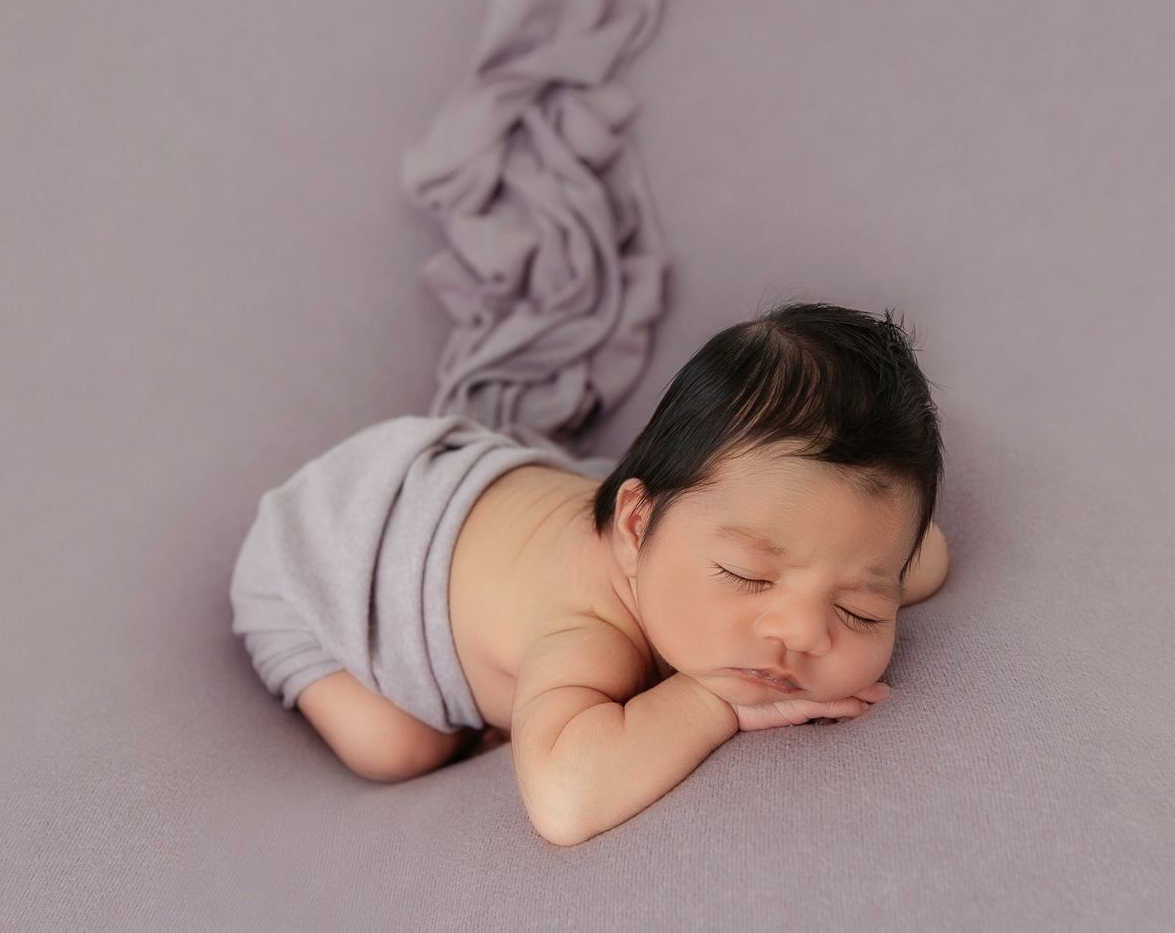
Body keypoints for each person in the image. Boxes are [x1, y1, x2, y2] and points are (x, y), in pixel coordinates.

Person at [232, 300, 948, 846]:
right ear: (636, 528)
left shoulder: (726, 542)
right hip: (326, 557)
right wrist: (715, 704)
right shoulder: (588, 629)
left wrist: (865, 573)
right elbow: (565, 803)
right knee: (400, 748)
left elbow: (922, 555)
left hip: (471, 488)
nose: (801, 633)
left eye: (858, 609)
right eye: (747, 576)